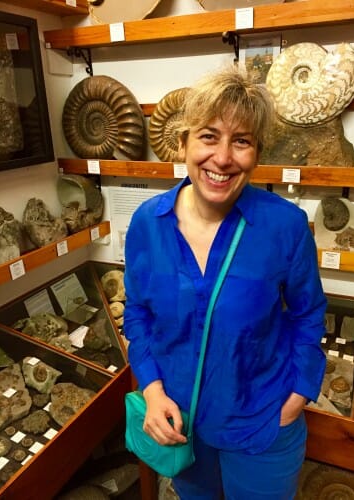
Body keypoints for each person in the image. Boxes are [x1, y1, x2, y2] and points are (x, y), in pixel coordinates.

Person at [124, 66, 326, 499]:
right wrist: (152, 390)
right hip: (182, 425)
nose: (223, 158)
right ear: (182, 143)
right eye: (209, 136)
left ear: (256, 154)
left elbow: (308, 312)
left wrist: (298, 395)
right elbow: (138, 312)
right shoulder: (148, 223)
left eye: (242, 141)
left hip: (262, 425)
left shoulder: (285, 226)